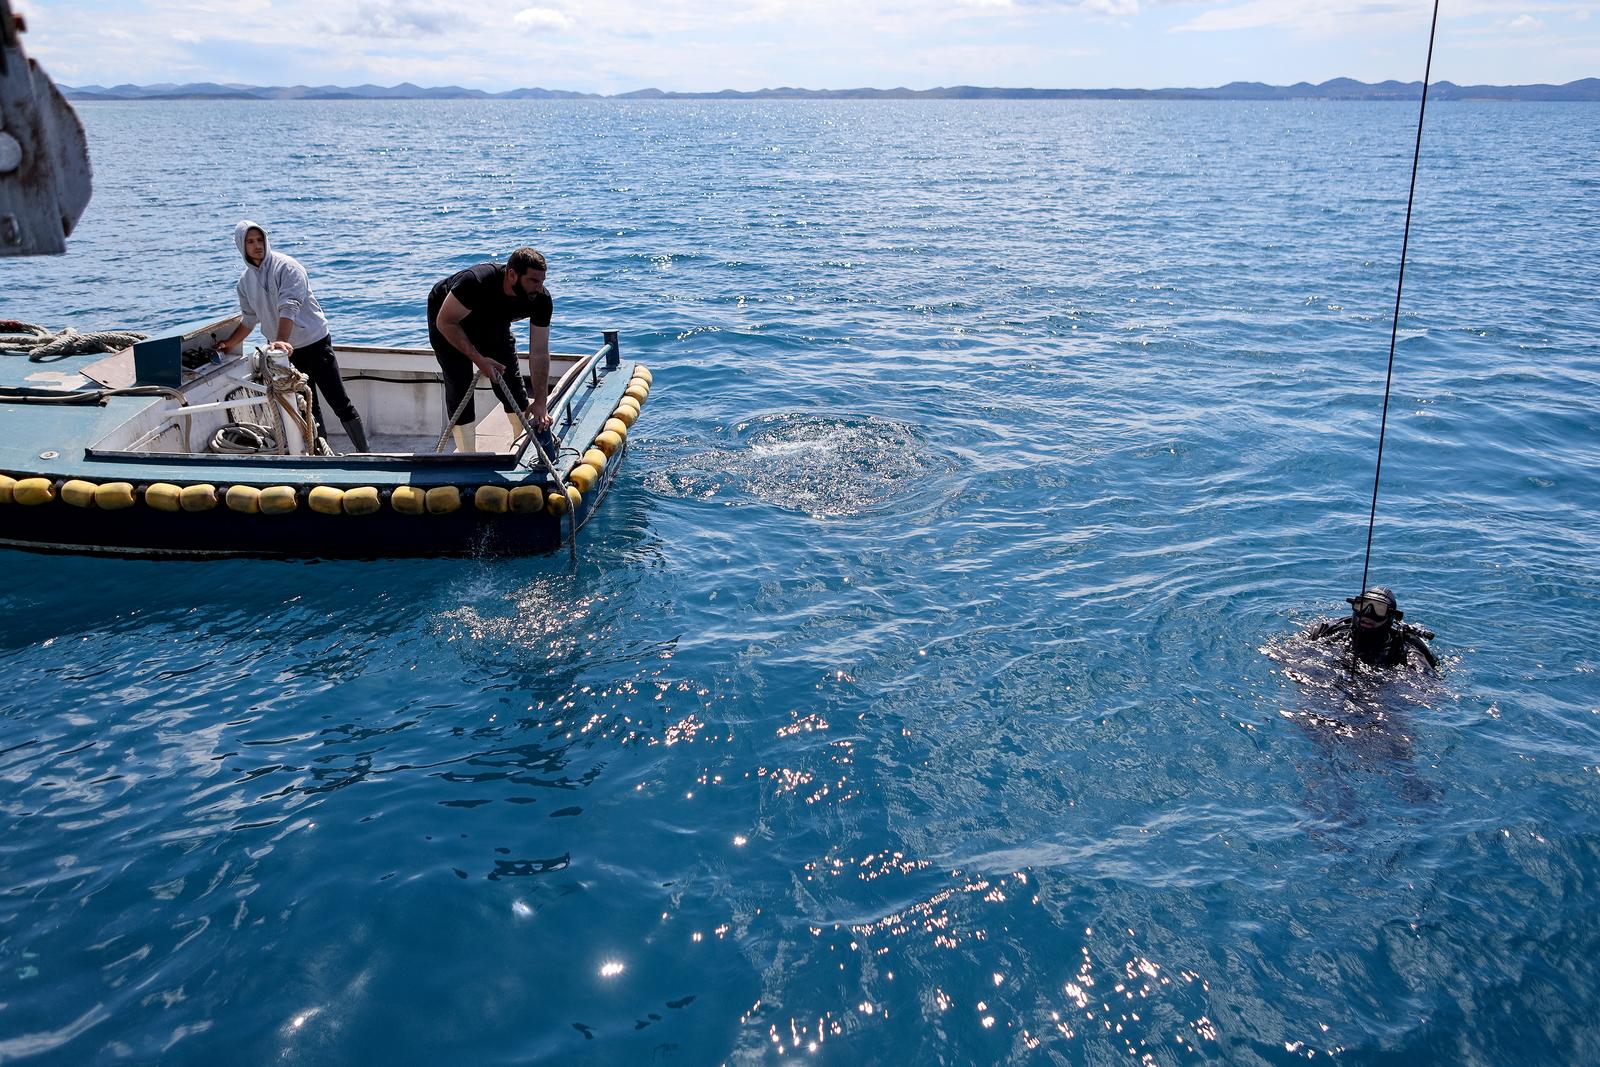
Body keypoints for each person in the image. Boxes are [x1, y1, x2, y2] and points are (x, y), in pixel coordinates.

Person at [220, 221, 369, 453]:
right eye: (250, 241)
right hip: (285, 353)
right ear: (241, 246)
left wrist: (281, 341)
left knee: (340, 402)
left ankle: (366, 453)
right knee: (308, 407)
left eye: (260, 239)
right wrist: (228, 344)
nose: (257, 245)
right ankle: (321, 455)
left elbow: (289, 307)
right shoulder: (244, 282)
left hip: (314, 345)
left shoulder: (288, 267)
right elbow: (249, 319)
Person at [427, 248, 552, 453]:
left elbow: (539, 351)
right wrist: (478, 359)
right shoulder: (475, 282)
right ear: (512, 274)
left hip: (492, 321)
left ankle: (522, 449)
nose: (539, 288)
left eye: (542, 281)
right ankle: (468, 457)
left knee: (512, 385)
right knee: (460, 383)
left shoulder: (541, 300)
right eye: (533, 281)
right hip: (448, 320)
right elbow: (445, 321)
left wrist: (540, 401)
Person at [1307, 586, 1437, 670]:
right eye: (1362, 606)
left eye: (1379, 610)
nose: (1368, 614)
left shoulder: (1406, 649)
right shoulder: (1328, 631)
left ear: (1391, 617)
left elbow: (1427, 689)